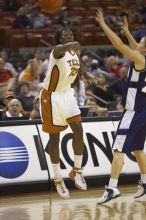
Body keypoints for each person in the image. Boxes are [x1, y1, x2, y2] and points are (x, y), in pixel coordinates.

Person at [95, 8, 146, 204]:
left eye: (141, 41)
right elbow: (134, 46)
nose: (138, 41)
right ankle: (144, 183)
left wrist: (104, 26)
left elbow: (118, 45)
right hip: (143, 111)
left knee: (118, 149)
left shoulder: (140, 59)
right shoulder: (142, 56)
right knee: (138, 149)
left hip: (133, 112)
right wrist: (126, 32)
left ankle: (112, 188)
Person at [39, 26, 87, 199]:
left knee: (79, 129)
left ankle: (77, 170)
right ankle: (58, 178)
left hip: (67, 94)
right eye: (64, 34)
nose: (68, 35)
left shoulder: (74, 52)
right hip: (51, 97)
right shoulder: (57, 51)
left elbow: (78, 68)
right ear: (59, 38)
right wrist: (73, 43)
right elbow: (64, 48)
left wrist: (89, 77)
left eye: (70, 34)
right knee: (55, 138)